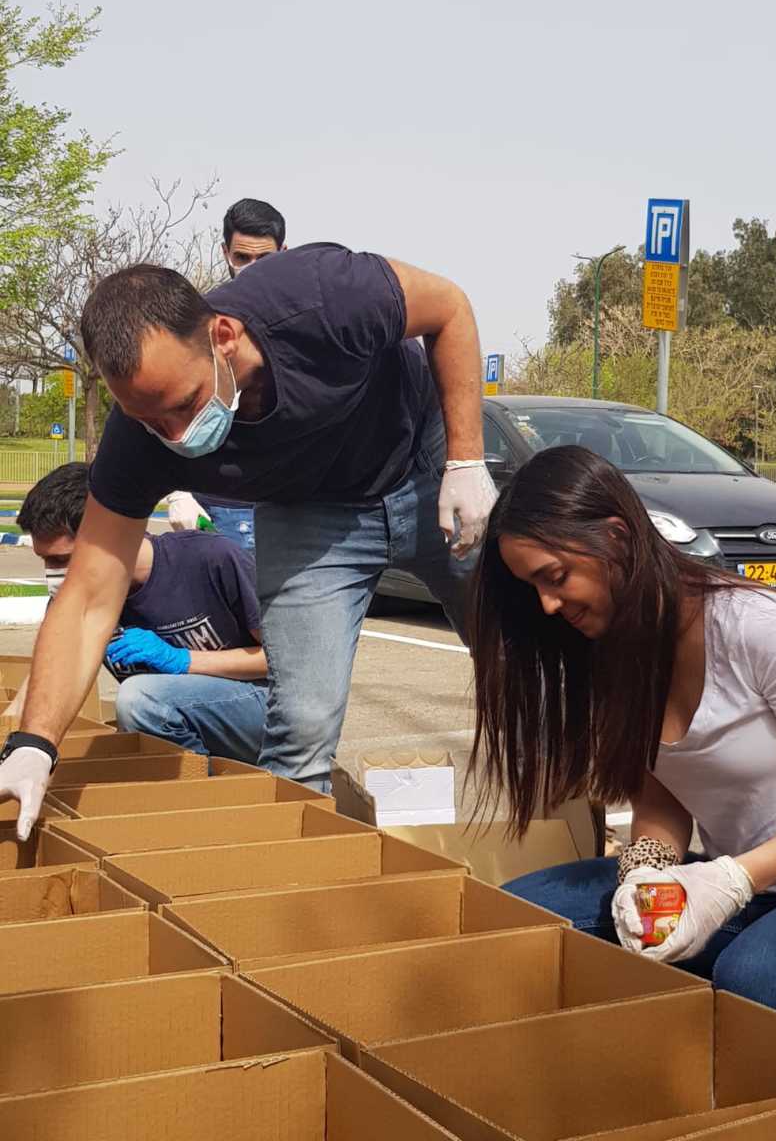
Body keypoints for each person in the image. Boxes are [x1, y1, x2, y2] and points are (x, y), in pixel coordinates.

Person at [0, 242, 493, 837]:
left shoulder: (320, 296)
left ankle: (572, 820)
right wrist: (34, 743)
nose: (177, 436)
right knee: (300, 725)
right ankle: (290, 896)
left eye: (185, 405)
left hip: (422, 463)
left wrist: (465, 459)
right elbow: (84, 599)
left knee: (512, 651)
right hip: (312, 512)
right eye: (151, 421)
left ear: (224, 337)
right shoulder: (139, 441)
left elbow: (451, 308)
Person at [467, 445, 776, 1035]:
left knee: (763, 980)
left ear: (616, 536)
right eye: (531, 587)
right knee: (510, 918)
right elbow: (663, 797)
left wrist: (730, 880)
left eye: (554, 577)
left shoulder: (757, 627)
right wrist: (645, 872)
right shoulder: (611, 650)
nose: (548, 604)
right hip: (736, 890)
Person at [12, 463, 267, 764]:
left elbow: (283, 663)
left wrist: (183, 660)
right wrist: (16, 737)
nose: (53, 573)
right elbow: (49, 679)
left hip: (263, 708)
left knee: (141, 699)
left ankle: (211, 794)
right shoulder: (77, 597)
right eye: (45, 560)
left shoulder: (211, 559)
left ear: (110, 536)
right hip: (178, 717)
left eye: (62, 559)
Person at [166, 198, 288, 549]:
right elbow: (170, 406)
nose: (252, 269)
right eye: (242, 258)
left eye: (265, 259)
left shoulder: (305, 315)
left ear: (285, 251)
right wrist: (178, 492)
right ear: (225, 253)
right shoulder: (202, 321)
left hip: (294, 502)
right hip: (223, 503)